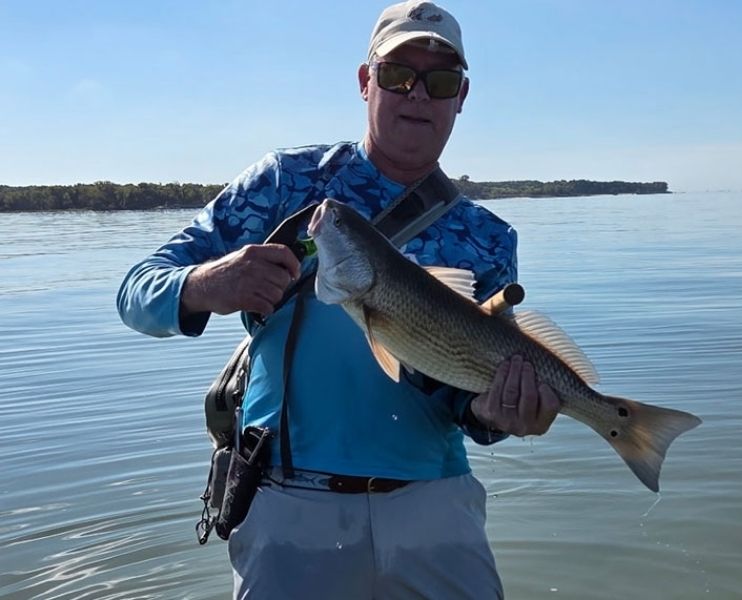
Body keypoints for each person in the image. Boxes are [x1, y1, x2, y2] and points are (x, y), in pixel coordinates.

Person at [117, 1, 560, 598]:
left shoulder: (488, 237)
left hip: (436, 508)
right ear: (364, 81)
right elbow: (135, 291)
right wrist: (206, 284)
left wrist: (504, 415)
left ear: (461, 96)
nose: (417, 94)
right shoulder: (285, 183)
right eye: (397, 74)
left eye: (440, 81)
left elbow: (471, 405)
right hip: (287, 508)